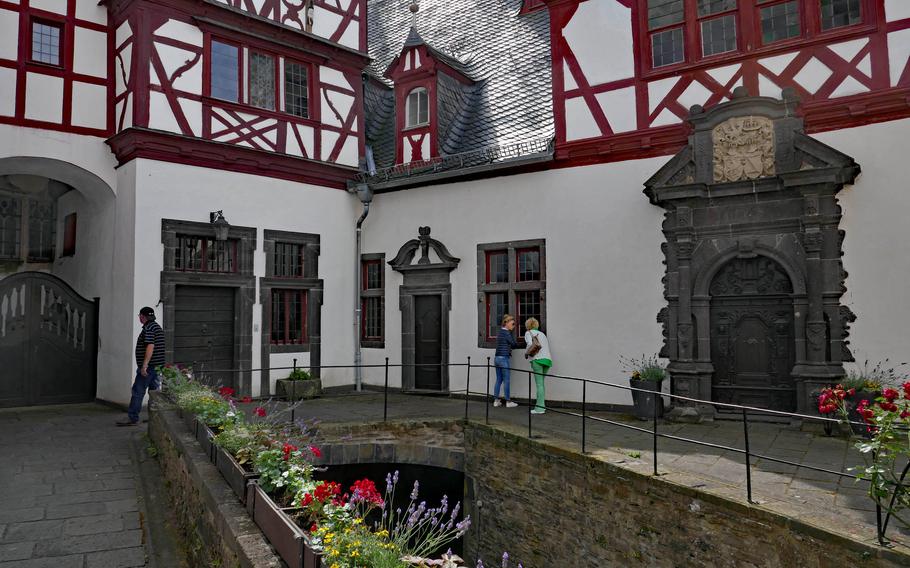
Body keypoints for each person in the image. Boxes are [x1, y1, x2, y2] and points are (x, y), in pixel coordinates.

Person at [117, 306, 165, 426]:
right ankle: (155, 418)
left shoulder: (148, 328)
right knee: (155, 392)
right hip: (157, 366)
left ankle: (132, 418)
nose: (139, 318)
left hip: (149, 367)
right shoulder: (157, 327)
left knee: (138, 391)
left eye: (140, 316)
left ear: (143, 316)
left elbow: (150, 346)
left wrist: (144, 366)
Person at [524, 317, 552, 414]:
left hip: (537, 360)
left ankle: (539, 409)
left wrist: (526, 353)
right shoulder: (543, 334)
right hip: (547, 360)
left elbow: (529, 344)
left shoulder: (528, 333)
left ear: (528, 325)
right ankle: (541, 406)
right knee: (541, 384)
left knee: (539, 384)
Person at [493, 314, 519, 408]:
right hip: (504, 358)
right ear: (506, 323)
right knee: (506, 380)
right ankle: (508, 402)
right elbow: (513, 344)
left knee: (499, 379)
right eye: (512, 323)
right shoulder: (507, 333)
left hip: (497, 358)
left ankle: (496, 401)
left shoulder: (500, 332)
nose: (514, 325)